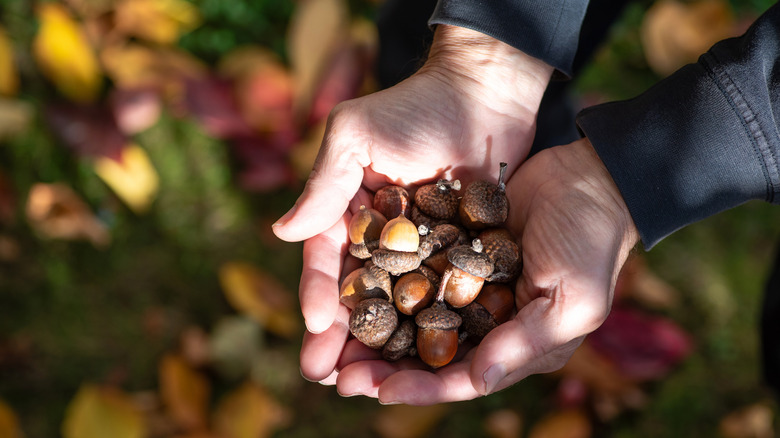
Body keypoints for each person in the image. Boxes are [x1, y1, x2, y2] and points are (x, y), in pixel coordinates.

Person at [272, 0, 780, 405]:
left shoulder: (443, 258)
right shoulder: (421, 254)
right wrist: (484, 53)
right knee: (410, 30)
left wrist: (621, 183)